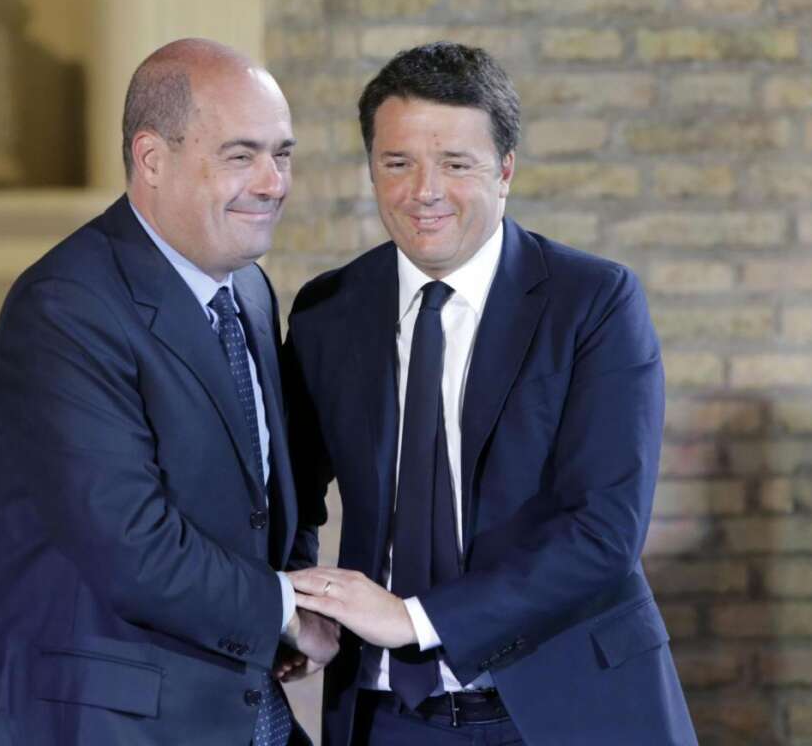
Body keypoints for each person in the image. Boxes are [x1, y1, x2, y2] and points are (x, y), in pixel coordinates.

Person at [283, 42, 696, 745]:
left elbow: (605, 530)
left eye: (455, 163)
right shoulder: (329, 311)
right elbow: (287, 492)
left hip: (568, 707)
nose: (424, 191)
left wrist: (415, 619)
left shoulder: (592, 302)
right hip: (386, 717)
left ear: (505, 171)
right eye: (397, 163)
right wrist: (303, 603)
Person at [0, 38, 338, 746]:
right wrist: (284, 608)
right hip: (95, 723)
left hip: (237, 707)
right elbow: (132, 544)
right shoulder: (65, 306)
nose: (273, 182)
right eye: (241, 156)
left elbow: (273, 494)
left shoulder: (249, 289)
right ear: (151, 158)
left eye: (282, 154)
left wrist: (295, 586)